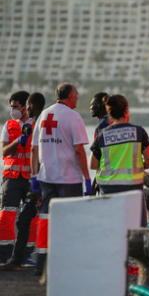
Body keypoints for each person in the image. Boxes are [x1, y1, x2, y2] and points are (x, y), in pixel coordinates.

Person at [31, 83, 91, 276]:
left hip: (47, 177)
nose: (78, 98)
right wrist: (88, 179)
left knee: (46, 219)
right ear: (70, 96)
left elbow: (34, 149)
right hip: (69, 178)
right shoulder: (73, 117)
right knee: (69, 221)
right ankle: (66, 265)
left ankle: (41, 264)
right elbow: (79, 151)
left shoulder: (43, 116)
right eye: (77, 95)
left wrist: (34, 175)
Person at [89, 94, 149, 227]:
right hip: (132, 189)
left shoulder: (102, 135)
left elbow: (92, 164)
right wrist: (139, 166)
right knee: (135, 230)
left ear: (109, 113)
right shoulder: (138, 132)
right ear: (126, 111)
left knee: (111, 230)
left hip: (108, 190)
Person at [0, 93, 46, 271]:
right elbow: (4, 150)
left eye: (16, 106)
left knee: (32, 218)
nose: (13, 110)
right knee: (6, 215)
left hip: (31, 178)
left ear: (26, 107)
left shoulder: (38, 124)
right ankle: (3, 255)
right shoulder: (9, 125)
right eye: (12, 106)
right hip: (11, 178)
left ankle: (26, 255)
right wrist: (18, 141)